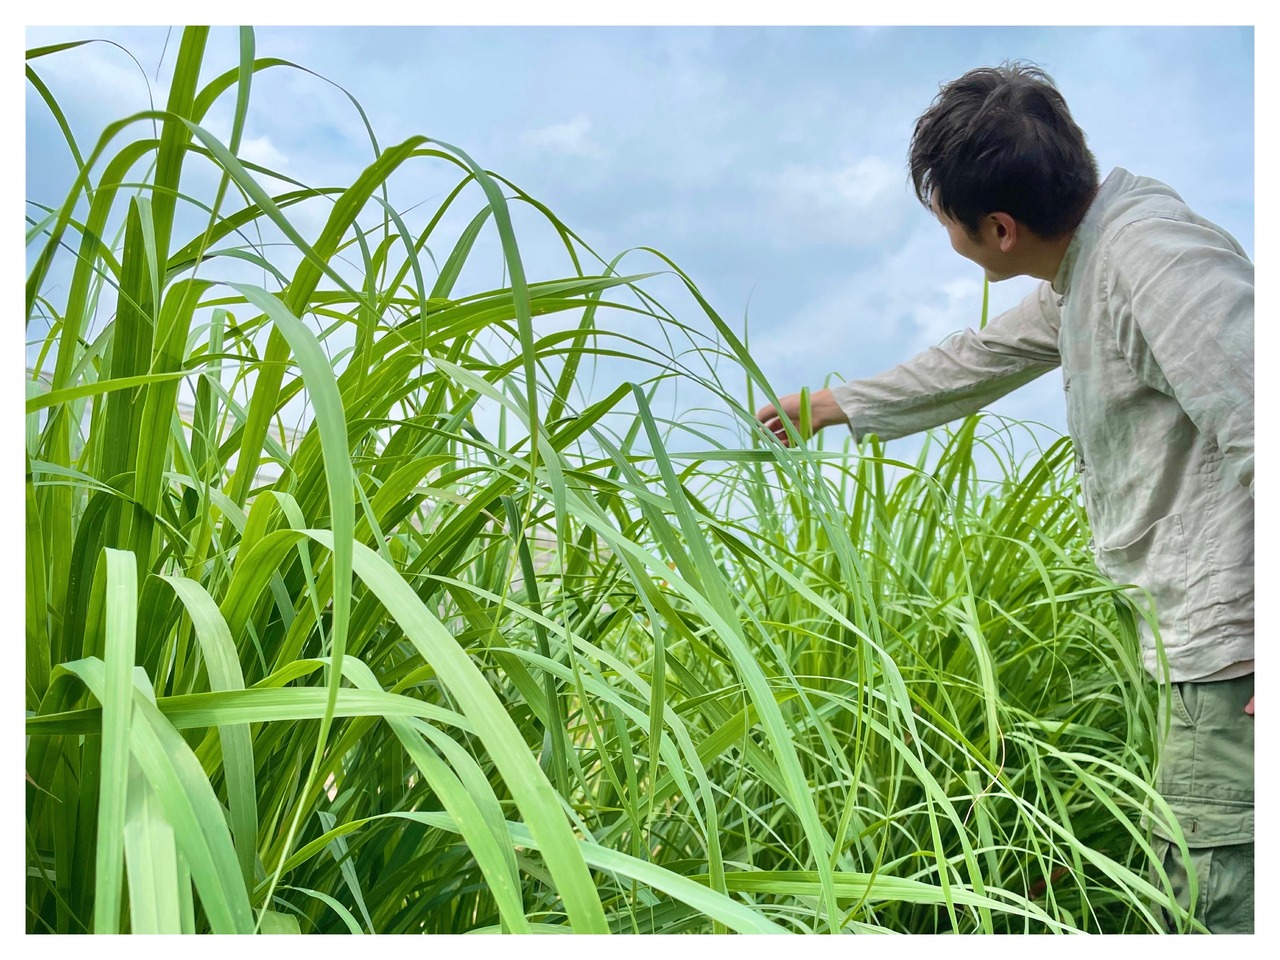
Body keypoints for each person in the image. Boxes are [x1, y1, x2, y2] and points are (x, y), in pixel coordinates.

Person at [754, 62, 1254, 934]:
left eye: (946, 220)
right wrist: (831, 407)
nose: (946, 235)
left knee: (1214, 907)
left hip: (1237, 658)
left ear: (999, 228)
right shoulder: (1088, 260)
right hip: (1197, 651)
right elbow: (977, 359)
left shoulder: (1157, 264)